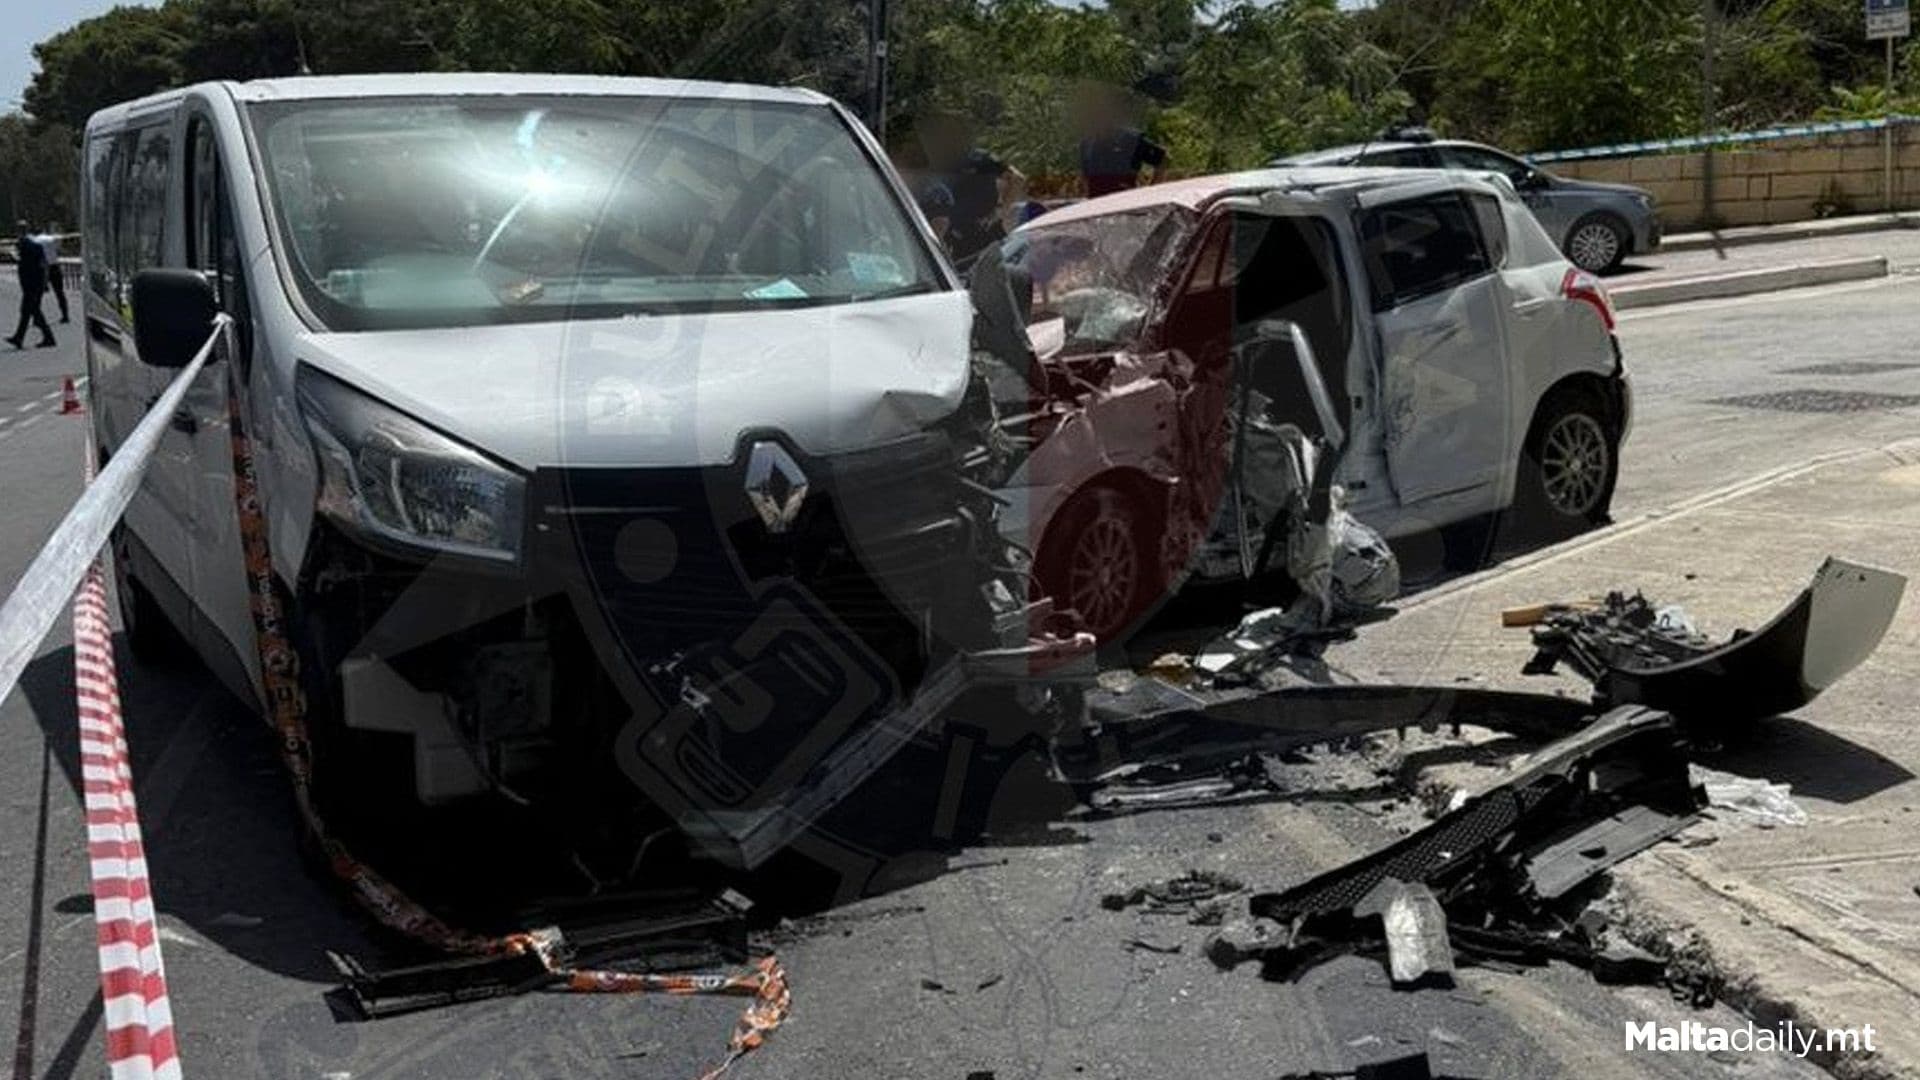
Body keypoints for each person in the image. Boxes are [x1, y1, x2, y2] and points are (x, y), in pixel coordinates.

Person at [919, 112, 1023, 264]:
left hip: (982, 231)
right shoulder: (939, 162)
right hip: (952, 234)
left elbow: (1017, 178)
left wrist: (1002, 211)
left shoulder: (980, 158)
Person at [1074, 84, 1167, 199]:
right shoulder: (1087, 143)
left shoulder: (1130, 139)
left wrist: (1149, 194)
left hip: (1125, 206)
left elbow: (1161, 159)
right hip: (1096, 207)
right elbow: (1085, 178)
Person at [8, 221, 55, 349]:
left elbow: (23, 261)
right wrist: (45, 282)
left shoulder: (24, 244)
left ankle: (49, 337)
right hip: (35, 283)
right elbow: (43, 264)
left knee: (32, 310)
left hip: (30, 285)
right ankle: (19, 337)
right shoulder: (34, 244)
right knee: (27, 311)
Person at [35, 227, 68, 324]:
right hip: (54, 267)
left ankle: (37, 318)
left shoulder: (35, 241)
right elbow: (60, 248)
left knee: (37, 295)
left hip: (41, 268)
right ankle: (65, 315)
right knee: (59, 293)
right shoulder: (52, 239)